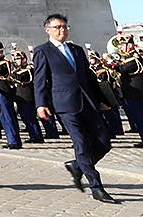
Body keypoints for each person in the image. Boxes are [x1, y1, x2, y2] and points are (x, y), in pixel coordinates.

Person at [33, 14, 119, 204]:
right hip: (64, 104)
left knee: (104, 142)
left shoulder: (77, 50)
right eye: (57, 27)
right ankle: (96, 187)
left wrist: (102, 100)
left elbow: (88, 77)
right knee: (80, 143)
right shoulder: (43, 51)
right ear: (47, 30)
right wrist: (41, 104)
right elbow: (39, 80)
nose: (62, 30)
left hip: (87, 102)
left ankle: (78, 166)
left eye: (64, 26)